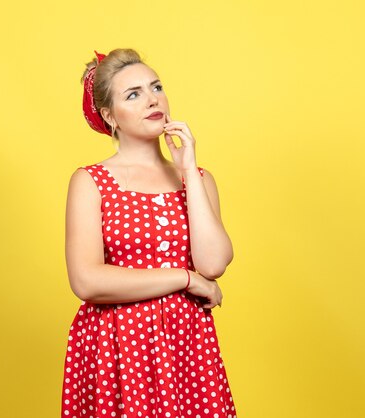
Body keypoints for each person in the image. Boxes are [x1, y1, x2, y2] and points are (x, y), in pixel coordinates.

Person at [61, 48, 237, 417]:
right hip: (118, 345)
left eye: (156, 86)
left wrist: (188, 168)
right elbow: (87, 281)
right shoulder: (91, 182)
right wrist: (186, 279)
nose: (152, 99)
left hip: (187, 344)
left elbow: (214, 263)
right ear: (110, 117)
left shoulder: (198, 179)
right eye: (134, 94)